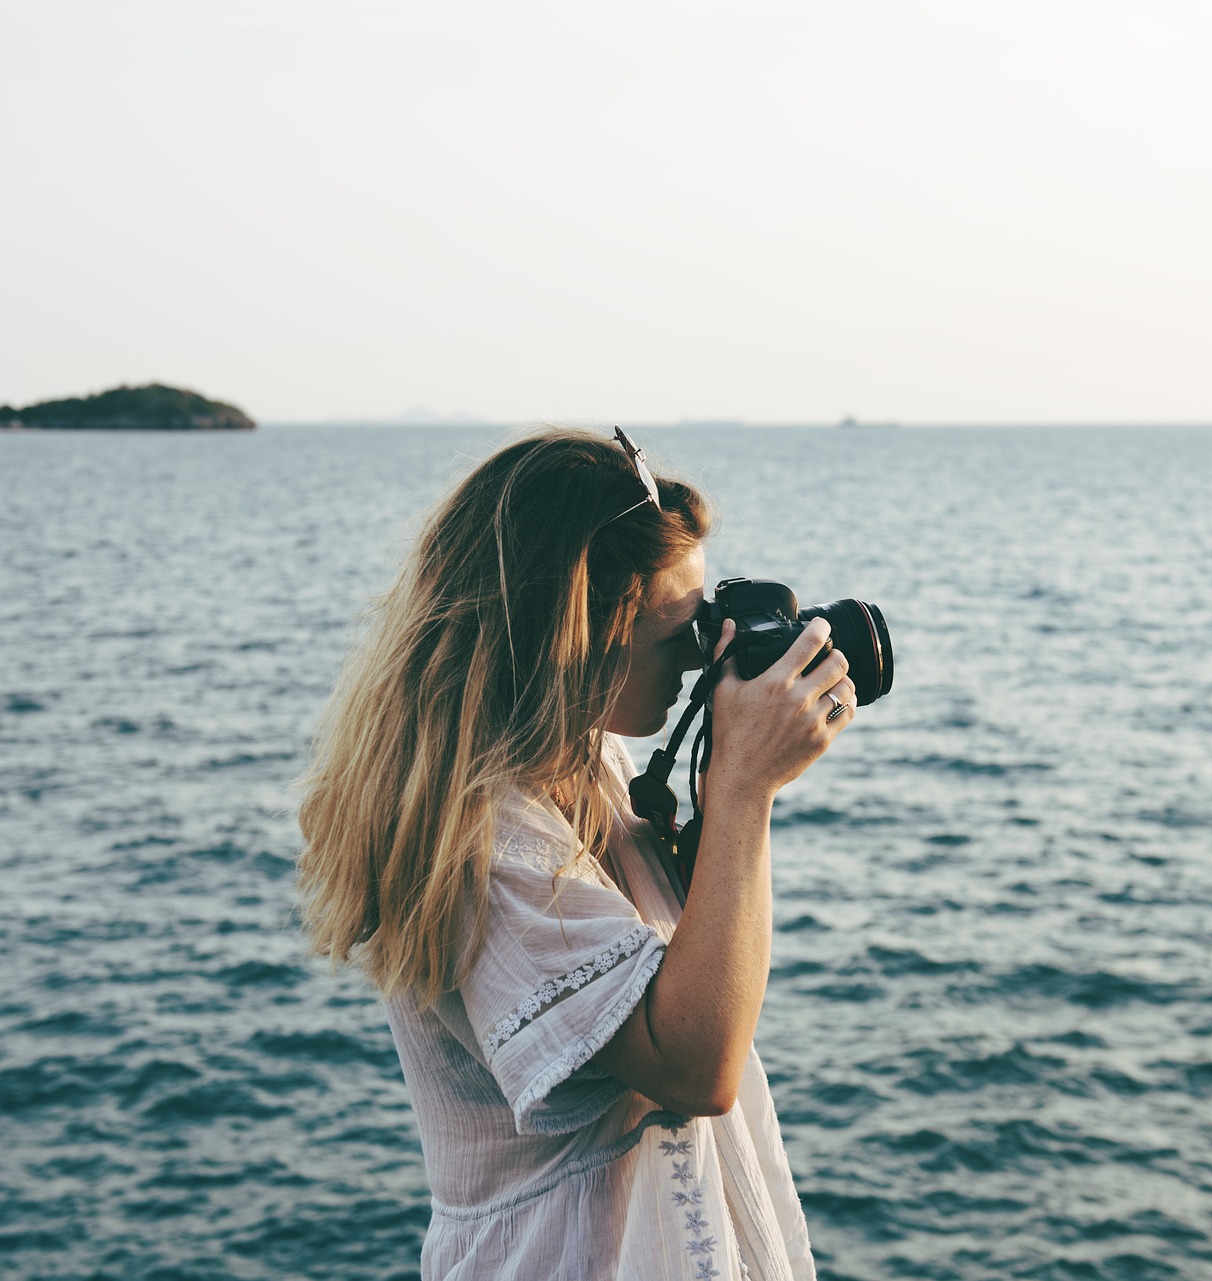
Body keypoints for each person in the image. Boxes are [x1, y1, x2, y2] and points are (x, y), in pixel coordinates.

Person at [296, 426, 856, 1280]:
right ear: (575, 634)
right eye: (677, 628)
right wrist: (745, 793)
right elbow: (694, 1065)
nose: (702, 652)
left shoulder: (583, 761)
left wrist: (721, 794)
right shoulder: (483, 842)